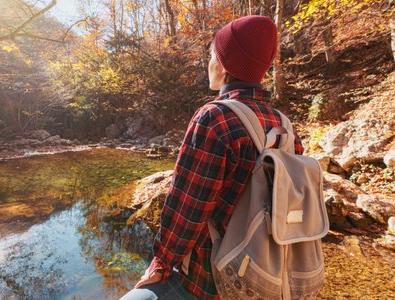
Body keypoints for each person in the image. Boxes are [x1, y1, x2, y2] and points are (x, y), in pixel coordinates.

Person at [120, 15, 304, 300]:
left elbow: (187, 207)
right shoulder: (285, 126)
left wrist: (161, 262)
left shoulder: (214, 118)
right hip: (266, 275)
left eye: (212, 56)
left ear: (225, 64)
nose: (208, 64)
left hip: (209, 282)